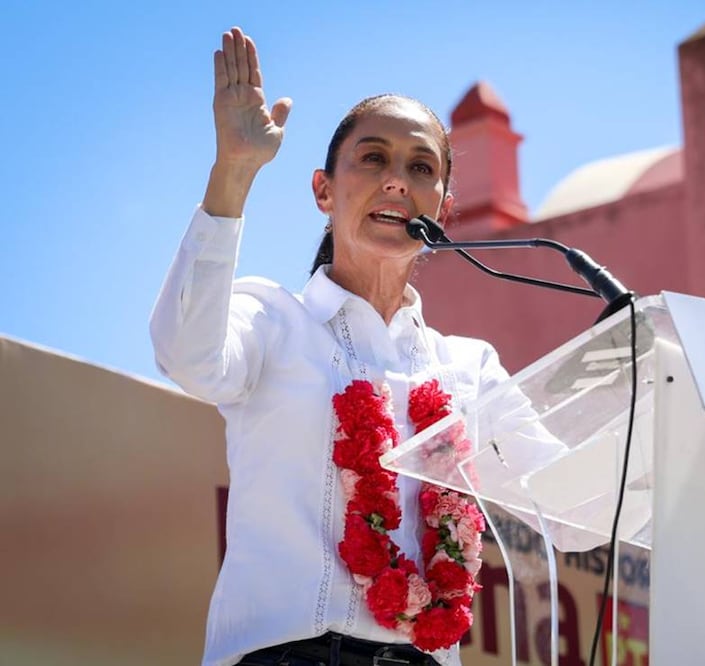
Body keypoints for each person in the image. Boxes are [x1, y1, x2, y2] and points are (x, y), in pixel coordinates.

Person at [150, 26, 507, 666]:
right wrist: (234, 170)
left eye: (420, 167)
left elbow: (569, 493)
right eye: (373, 158)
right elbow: (188, 356)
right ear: (323, 190)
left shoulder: (468, 367)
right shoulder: (272, 318)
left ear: (443, 209)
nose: (396, 181)